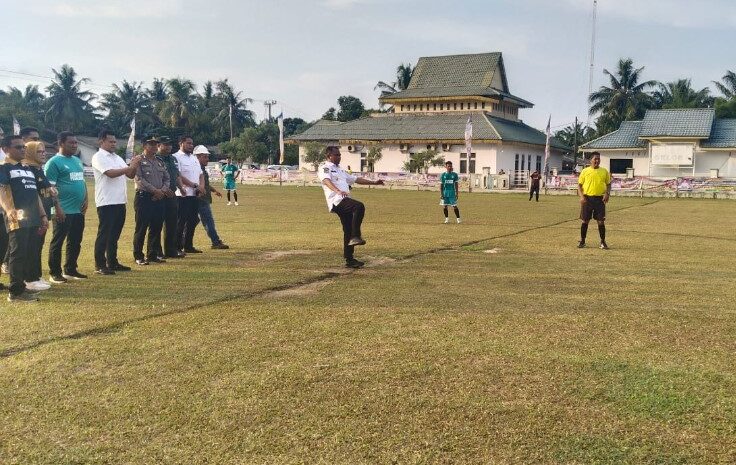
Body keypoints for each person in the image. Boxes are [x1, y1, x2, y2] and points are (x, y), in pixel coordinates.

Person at [0, 135, 49, 301]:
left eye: (23, 147)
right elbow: (2, 190)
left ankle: (22, 287)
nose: (23, 149)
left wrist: (42, 215)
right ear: (6, 149)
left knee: (27, 252)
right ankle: (15, 292)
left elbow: (35, 194)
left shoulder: (27, 169)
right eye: (18, 147)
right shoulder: (4, 168)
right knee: (17, 253)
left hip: (33, 216)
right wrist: (9, 210)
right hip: (17, 216)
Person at [318, 146, 383, 268]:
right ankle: (355, 236)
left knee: (347, 229)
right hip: (336, 201)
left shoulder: (340, 170)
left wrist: (374, 182)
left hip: (343, 200)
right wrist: (337, 190)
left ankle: (349, 259)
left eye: (339, 155)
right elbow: (326, 181)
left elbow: (355, 179)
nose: (339, 157)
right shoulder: (325, 168)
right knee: (358, 206)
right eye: (336, 155)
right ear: (329, 156)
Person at [91, 129, 140, 275]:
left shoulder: (117, 157)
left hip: (120, 200)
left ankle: (112, 262)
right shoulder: (99, 156)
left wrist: (134, 165)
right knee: (104, 234)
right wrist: (129, 167)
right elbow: (110, 174)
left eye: (114, 141)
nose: (114, 144)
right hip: (106, 201)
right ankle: (99, 264)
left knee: (114, 234)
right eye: (110, 141)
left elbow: (130, 175)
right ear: (102, 141)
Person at [45, 131, 88, 283]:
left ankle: (70, 269)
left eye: (76, 143)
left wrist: (86, 199)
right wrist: (57, 208)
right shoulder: (54, 162)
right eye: (71, 143)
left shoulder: (77, 160)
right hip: (62, 209)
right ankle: (55, 273)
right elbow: (50, 189)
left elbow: (82, 182)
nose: (75, 145)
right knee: (58, 241)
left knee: (75, 240)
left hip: (78, 210)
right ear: (61, 144)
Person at [133, 137, 171, 265]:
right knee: (141, 228)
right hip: (144, 197)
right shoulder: (138, 160)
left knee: (156, 227)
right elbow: (139, 178)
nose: (155, 146)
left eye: (156, 144)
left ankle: (152, 254)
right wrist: (155, 190)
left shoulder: (159, 161)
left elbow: (167, 178)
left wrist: (163, 190)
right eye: (151, 144)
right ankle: (138, 256)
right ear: (144, 145)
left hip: (159, 198)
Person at [22, 141, 54, 291]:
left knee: (38, 246)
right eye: (39, 151)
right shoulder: (28, 169)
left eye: (43, 151)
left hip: (43, 213)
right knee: (32, 247)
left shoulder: (38, 169)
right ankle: (29, 278)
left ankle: (36, 275)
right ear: (30, 153)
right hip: (33, 214)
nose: (43, 154)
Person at [152, 136, 184, 260]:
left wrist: (180, 187)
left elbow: (175, 175)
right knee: (157, 224)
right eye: (165, 144)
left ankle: (171, 250)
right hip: (160, 195)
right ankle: (157, 251)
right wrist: (164, 190)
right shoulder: (155, 158)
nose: (168, 147)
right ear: (159, 146)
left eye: (170, 144)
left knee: (172, 224)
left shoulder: (172, 158)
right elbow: (155, 177)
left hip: (172, 195)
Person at [173, 135, 205, 254]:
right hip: (182, 195)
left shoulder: (194, 158)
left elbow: (201, 174)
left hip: (194, 195)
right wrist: (194, 185)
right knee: (180, 222)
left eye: (192, 144)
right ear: (181, 143)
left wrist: (201, 186)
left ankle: (188, 245)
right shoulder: (176, 157)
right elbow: (178, 175)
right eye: (188, 143)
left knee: (192, 221)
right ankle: (177, 247)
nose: (191, 146)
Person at [195, 146, 229, 249]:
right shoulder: (196, 169)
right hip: (200, 199)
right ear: (198, 157)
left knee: (193, 221)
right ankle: (216, 242)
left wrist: (214, 190)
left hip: (203, 198)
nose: (207, 159)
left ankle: (181, 242)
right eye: (205, 157)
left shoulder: (202, 169)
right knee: (208, 221)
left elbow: (205, 184)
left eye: (207, 157)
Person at [577, 152, 611, 249]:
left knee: (601, 221)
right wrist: (582, 196)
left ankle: (603, 242)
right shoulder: (585, 171)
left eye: (598, 159)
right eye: (595, 159)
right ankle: (582, 241)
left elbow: (608, 184)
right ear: (590, 160)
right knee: (585, 221)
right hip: (587, 199)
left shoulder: (604, 171)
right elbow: (579, 185)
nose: (597, 161)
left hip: (599, 199)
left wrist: (607, 193)